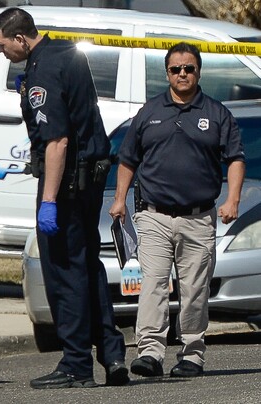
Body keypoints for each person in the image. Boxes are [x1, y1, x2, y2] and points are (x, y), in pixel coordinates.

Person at [0, 8, 128, 389]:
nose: (2, 53)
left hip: (66, 183)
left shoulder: (44, 70)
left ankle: (76, 364)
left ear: (20, 38)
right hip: (89, 177)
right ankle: (112, 353)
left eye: (3, 45)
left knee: (64, 271)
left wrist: (48, 199)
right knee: (86, 268)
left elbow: (57, 141)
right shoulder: (67, 52)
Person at [109, 42, 245, 378]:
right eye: (175, 69)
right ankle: (151, 353)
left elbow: (236, 158)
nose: (182, 74)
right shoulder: (149, 111)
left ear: (199, 72)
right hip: (154, 215)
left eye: (189, 69)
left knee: (194, 288)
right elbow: (128, 159)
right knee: (153, 284)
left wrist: (233, 200)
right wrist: (119, 200)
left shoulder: (216, 114)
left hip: (198, 218)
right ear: (166, 73)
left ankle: (192, 355)